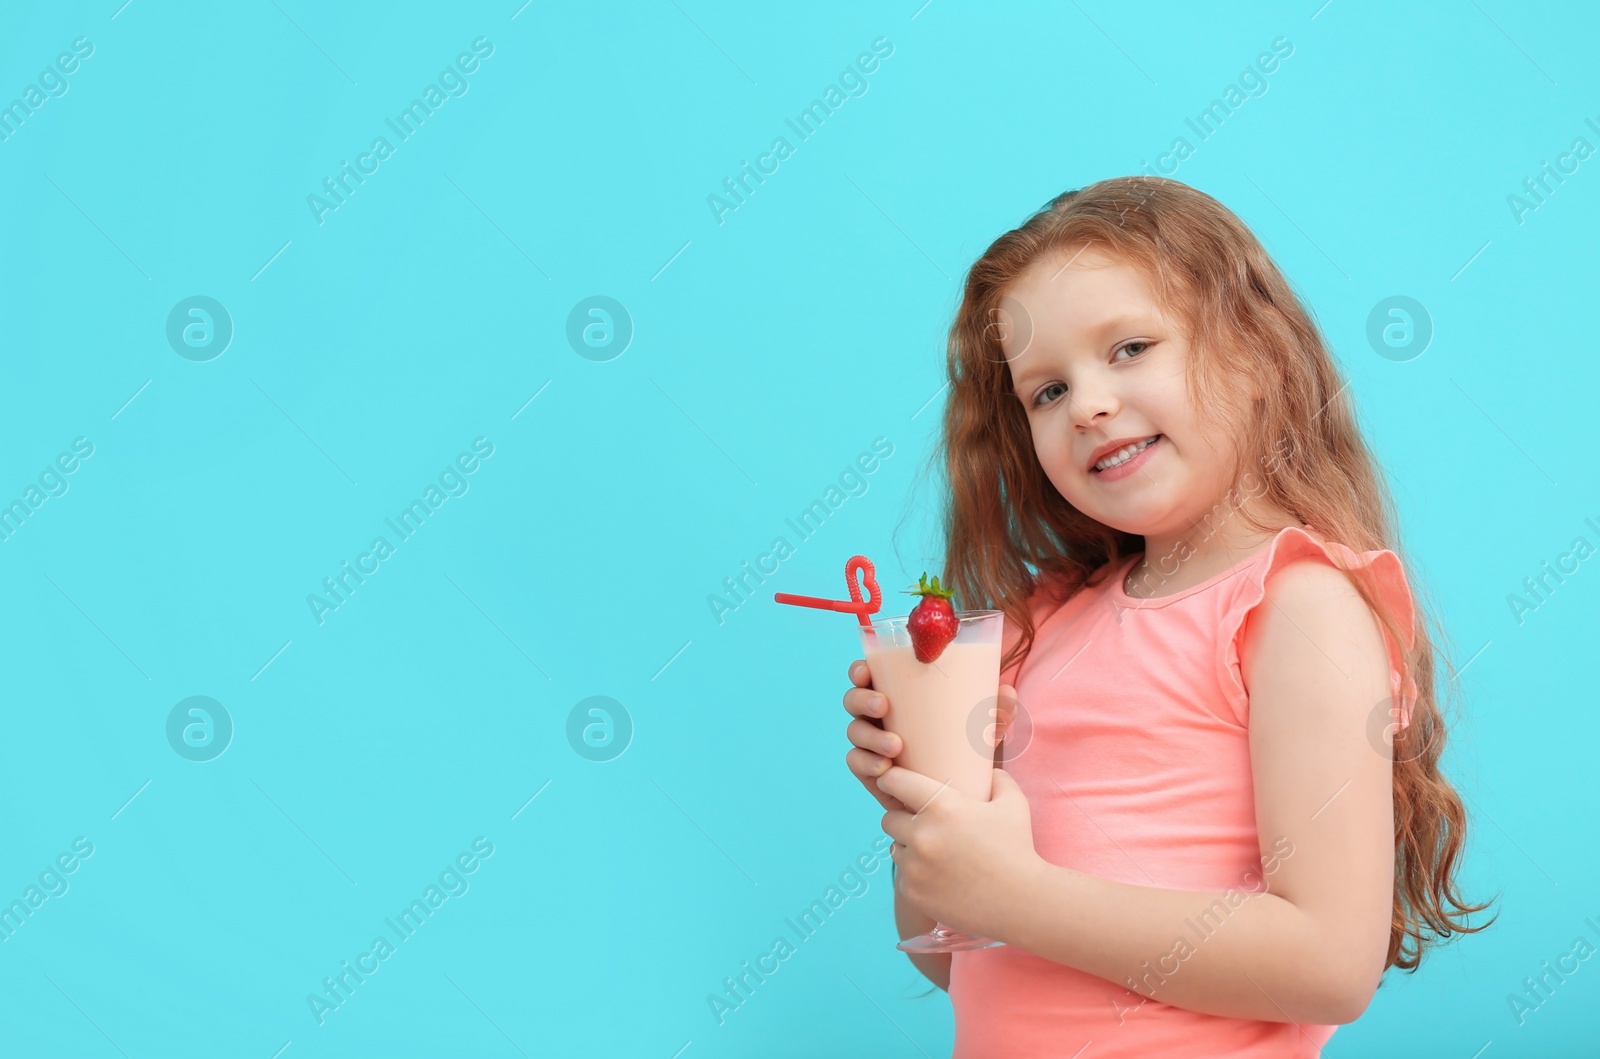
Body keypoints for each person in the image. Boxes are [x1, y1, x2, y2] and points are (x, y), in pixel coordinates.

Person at [841, 176, 1495, 1057]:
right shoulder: (1041, 624)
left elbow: (1332, 962)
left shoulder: (1297, 605)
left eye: (1130, 347)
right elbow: (958, 962)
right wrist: (932, 814)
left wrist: (1012, 891)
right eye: (1046, 391)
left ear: (1258, 352)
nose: (1089, 404)